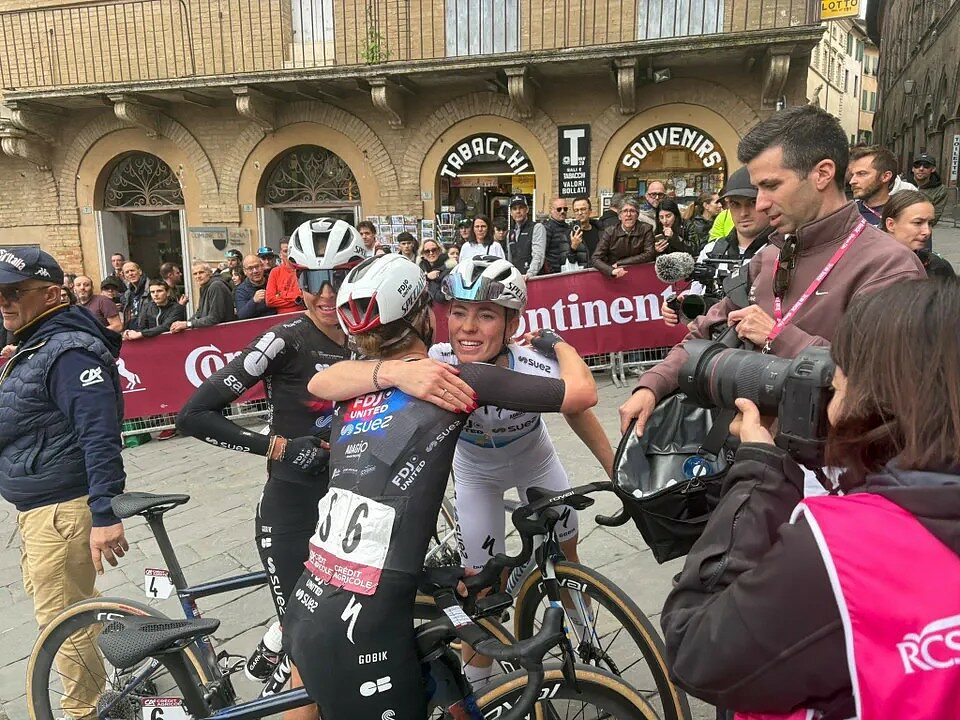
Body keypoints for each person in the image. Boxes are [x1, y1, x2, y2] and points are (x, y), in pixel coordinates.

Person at [282, 253, 599, 719]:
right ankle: (482, 688)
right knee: (478, 594)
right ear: (429, 317)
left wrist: (554, 345)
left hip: (312, 592)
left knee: (554, 562)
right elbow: (582, 395)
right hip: (379, 601)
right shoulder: (448, 370)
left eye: (485, 315)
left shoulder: (358, 393)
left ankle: (580, 633)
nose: (468, 327)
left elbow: (320, 381)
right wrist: (396, 370)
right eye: (456, 312)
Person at [661, 279, 960, 719]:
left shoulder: (845, 551)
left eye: (836, 387)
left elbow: (697, 651)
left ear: (878, 396)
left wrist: (759, 470)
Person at [619, 104, 926, 439]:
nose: (760, 203)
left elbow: (880, 387)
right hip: (751, 460)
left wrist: (778, 337)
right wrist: (650, 387)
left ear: (822, 174)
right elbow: (703, 334)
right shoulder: (769, 256)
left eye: (770, 186)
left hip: (837, 472)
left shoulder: (888, 265)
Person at [177, 218, 366, 719]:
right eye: (310, 279)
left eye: (341, 276)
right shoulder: (284, 339)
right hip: (293, 509)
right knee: (311, 657)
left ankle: (273, 645)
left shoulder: (372, 338)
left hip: (354, 508)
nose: (326, 293)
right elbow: (194, 414)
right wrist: (277, 447)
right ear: (295, 280)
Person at [0, 247, 128, 720]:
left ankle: (83, 713)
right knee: (70, 616)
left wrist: (104, 513)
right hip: (45, 505)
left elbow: (100, 432)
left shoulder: (67, 350)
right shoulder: (41, 342)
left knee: (64, 625)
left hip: (61, 509)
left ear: (53, 294)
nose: (4, 303)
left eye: (14, 292)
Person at [661, 168, 774, 328]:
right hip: (717, 344)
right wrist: (682, 305)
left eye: (752, 203)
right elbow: (697, 298)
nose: (743, 213)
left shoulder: (782, 248)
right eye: (735, 204)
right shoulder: (712, 250)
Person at [881, 190, 956, 280]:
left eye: (930, 223)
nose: (927, 231)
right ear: (891, 224)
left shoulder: (938, 267)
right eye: (918, 222)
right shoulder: (867, 263)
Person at [592, 196, 656, 278]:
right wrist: (611, 270)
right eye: (625, 211)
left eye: (632, 211)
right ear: (619, 216)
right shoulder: (610, 232)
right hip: (616, 276)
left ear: (637, 215)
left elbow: (649, 254)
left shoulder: (646, 229)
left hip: (640, 274)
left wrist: (621, 263)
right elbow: (595, 259)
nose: (628, 214)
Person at [169, 263, 235, 332]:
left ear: (210, 273)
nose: (198, 276)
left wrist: (187, 324)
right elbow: (199, 313)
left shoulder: (216, 286)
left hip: (224, 333)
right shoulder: (204, 287)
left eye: (201, 272)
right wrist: (181, 324)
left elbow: (214, 318)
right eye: (195, 274)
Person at [847, 145, 899, 227]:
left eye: (862, 174)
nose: (852, 181)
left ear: (885, 176)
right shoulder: (848, 214)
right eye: (852, 175)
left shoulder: (903, 212)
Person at [505, 195, 545, 277]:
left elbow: (538, 255)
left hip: (534, 279)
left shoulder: (537, 227)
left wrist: (530, 274)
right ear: (511, 213)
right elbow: (510, 261)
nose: (518, 211)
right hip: (517, 280)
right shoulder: (510, 233)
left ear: (527, 209)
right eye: (514, 209)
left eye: (521, 208)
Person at [235, 253, 277, 320]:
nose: (255, 271)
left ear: (262, 266)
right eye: (250, 268)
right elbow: (241, 315)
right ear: (245, 271)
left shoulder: (273, 281)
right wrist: (254, 301)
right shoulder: (241, 290)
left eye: (257, 266)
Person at [265, 239, 302, 314]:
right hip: (282, 318)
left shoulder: (303, 270)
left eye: (292, 250)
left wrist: (282, 295)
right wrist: (297, 300)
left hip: (304, 315)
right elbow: (270, 301)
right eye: (286, 251)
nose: (289, 254)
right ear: (280, 255)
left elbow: (307, 298)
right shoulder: (275, 272)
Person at [911, 153, 947, 226]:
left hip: (922, 231)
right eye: (917, 165)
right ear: (913, 169)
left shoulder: (940, 190)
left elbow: (934, 217)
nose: (921, 169)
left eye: (926, 166)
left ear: (933, 169)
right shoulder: (903, 184)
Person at [540, 198, 575, 274]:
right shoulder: (547, 228)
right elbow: (542, 254)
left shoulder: (568, 227)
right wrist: (551, 272)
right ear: (551, 211)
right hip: (553, 274)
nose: (563, 211)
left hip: (567, 271)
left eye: (565, 209)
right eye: (559, 209)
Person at [570, 195, 603, 260]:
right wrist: (573, 248)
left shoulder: (600, 231)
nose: (580, 213)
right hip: (581, 270)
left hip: (599, 268)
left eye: (583, 209)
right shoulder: (569, 233)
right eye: (576, 210)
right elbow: (567, 261)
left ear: (590, 211)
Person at [120, 261, 150, 330]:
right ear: (124, 276)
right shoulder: (127, 294)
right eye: (127, 272)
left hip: (147, 332)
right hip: (132, 333)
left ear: (140, 272)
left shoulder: (151, 288)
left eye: (132, 270)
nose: (130, 274)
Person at [418, 239, 449, 303]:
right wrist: (427, 277)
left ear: (439, 250)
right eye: (427, 251)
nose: (431, 253)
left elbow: (440, 297)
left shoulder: (448, 266)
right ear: (423, 254)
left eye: (434, 250)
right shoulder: (421, 267)